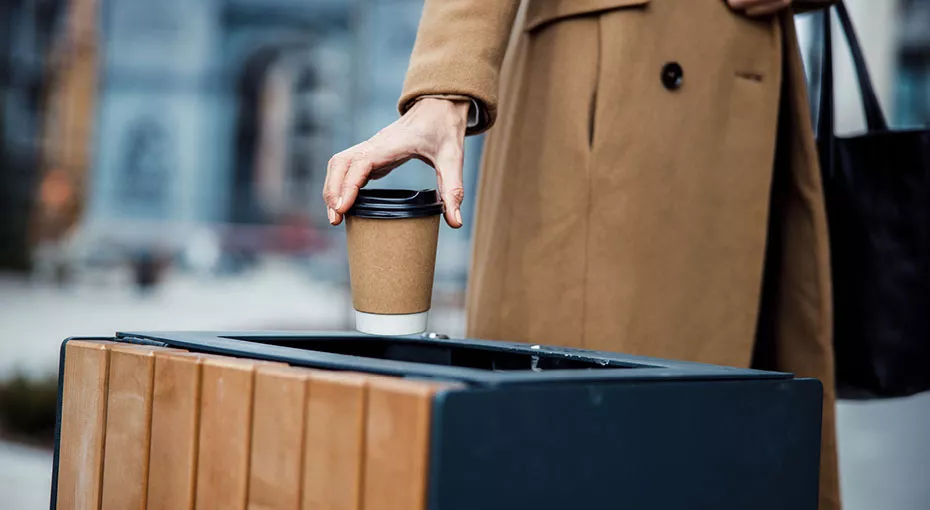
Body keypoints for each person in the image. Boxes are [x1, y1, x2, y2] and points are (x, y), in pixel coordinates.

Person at [323, 0, 839, 508]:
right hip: (611, 83)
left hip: (743, 80)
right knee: (590, 449)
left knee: (735, 454)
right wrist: (442, 88)